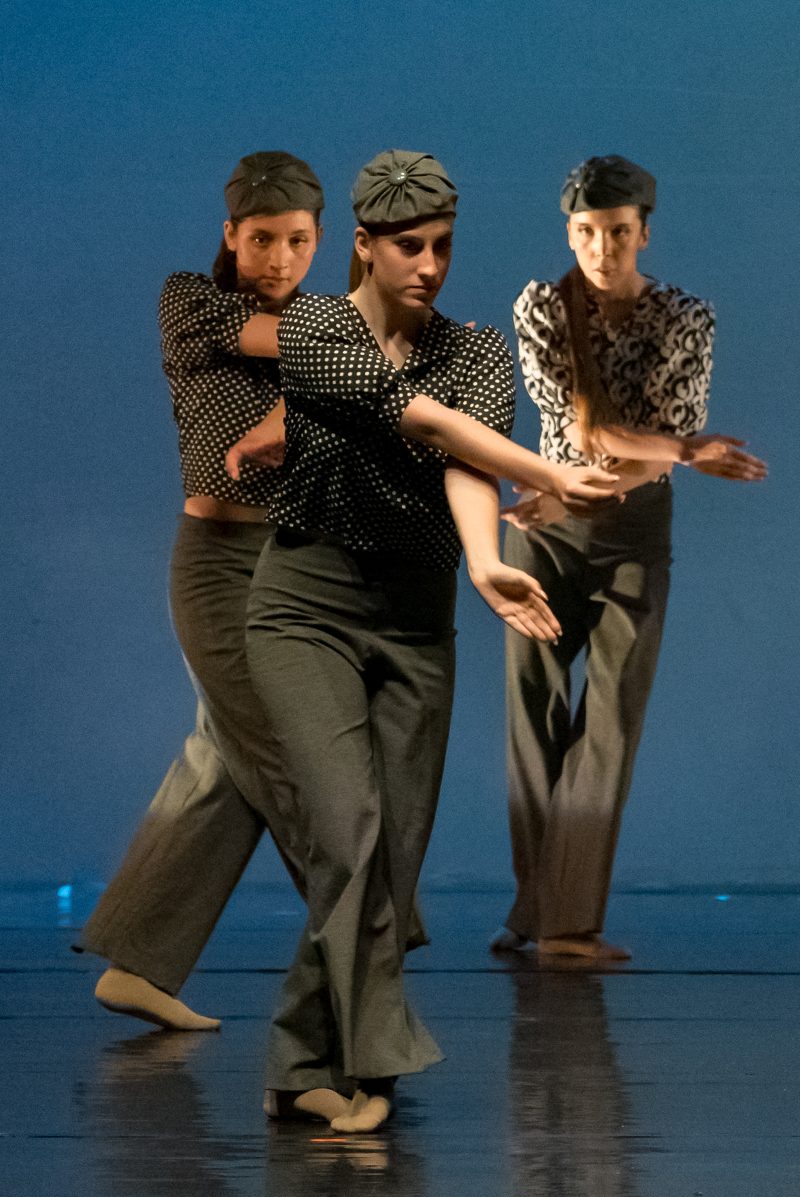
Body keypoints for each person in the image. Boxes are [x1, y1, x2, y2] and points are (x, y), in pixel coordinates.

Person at [233, 149, 622, 1132]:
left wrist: (484, 559)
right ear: (364, 245)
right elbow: (423, 422)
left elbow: (461, 468)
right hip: (305, 606)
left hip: (415, 619)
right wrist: (550, 470)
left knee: (390, 856)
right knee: (349, 825)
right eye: (409, 246)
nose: (431, 265)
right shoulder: (315, 329)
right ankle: (367, 1065)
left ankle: (299, 1065)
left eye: (443, 245)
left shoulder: (475, 349)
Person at [492, 155, 767, 960]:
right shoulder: (542, 307)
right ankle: (538, 911)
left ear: (644, 232)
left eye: (618, 232)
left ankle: (564, 923)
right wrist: (684, 451)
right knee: (532, 712)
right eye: (585, 231)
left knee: (610, 719)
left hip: (631, 527)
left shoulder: (685, 317)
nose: (601, 248)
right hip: (544, 525)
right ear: (568, 233)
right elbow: (588, 430)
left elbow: (651, 448)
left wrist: (656, 458)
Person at [74, 152, 325, 1032]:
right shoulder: (192, 301)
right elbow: (301, 347)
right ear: (231, 235)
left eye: (299, 241)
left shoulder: (330, 328)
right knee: (287, 750)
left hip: (297, 567)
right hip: (216, 564)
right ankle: (371, 931)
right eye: (263, 239)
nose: (280, 258)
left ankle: (138, 964)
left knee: (222, 763)